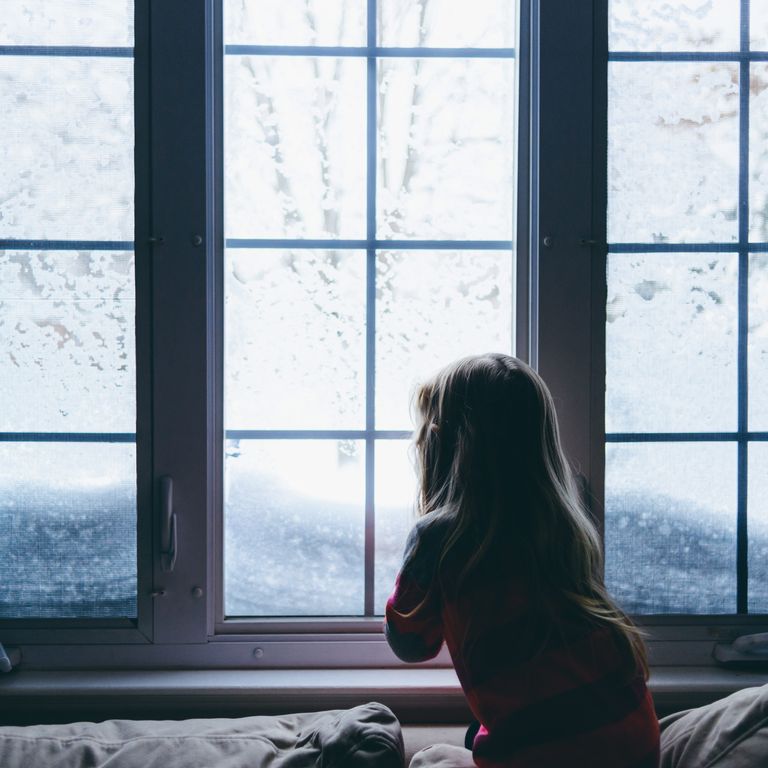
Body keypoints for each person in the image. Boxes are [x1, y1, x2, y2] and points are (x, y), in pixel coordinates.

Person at [385, 353, 660, 768]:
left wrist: (417, 567)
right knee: (477, 732)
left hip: (549, 756)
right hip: (635, 748)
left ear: (441, 444)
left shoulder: (440, 537)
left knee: (428, 759)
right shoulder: (564, 524)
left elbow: (409, 644)